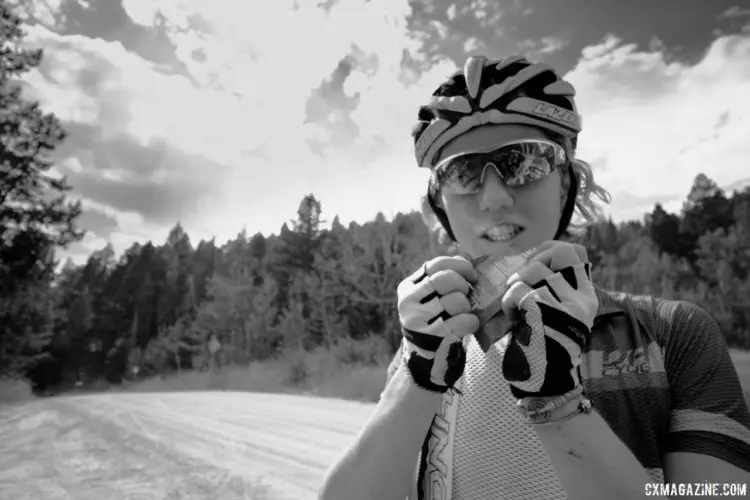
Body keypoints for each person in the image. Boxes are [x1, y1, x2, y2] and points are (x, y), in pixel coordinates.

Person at [317, 55, 750, 500]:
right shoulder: (425, 350)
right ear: (438, 205)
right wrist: (416, 377)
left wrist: (558, 404)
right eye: (462, 173)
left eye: (524, 162)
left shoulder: (672, 334)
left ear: (565, 182)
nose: (495, 198)